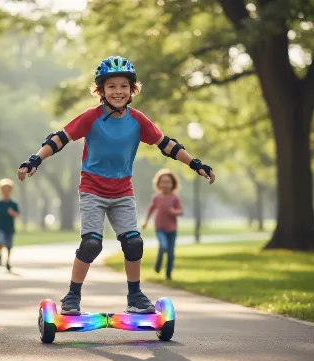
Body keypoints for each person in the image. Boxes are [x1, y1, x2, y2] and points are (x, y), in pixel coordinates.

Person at [17, 55, 215, 315]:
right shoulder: (91, 117)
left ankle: (135, 296)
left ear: (132, 90)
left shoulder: (138, 120)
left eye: (123, 86)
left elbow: (166, 144)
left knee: (133, 243)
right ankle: (72, 295)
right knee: (91, 244)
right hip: (92, 190)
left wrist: (196, 164)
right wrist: (35, 160)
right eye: (111, 86)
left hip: (123, 192)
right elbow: (60, 138)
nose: (118, 91)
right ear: (101, 91)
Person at [142, 169, 183, 280]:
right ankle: (158, 264)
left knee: (171, 253)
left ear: (173, 184)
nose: (165, 184)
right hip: (160, 228)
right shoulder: (156, 198)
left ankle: (168, 274)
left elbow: (180, 211)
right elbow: (151, 209)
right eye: (163, 182)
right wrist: (146, 221)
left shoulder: (175, 197)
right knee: (163, 246)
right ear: (158, 183)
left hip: (172, 229)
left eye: (168, 182)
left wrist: (174, 212)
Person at [0, 178, 20, 272]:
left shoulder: (13, 203)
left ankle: (8, 261)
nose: (6, 192)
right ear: (0, 190)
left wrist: (12, 213)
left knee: (9, 246)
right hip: (1, 227)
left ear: (11, 190)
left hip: (10, 228)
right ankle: (0, 254)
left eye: (8, 190)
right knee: (1, 242)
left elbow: (17, 215)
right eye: (4, 189)